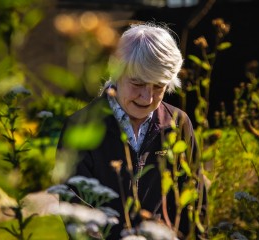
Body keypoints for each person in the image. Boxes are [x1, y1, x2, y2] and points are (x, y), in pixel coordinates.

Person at [56, 23, 206, 239]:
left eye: (158, 86)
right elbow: (74, 206)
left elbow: (195, 198)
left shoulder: (178, 123)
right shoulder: (81, 126)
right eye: (137, 83)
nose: (148, 97)